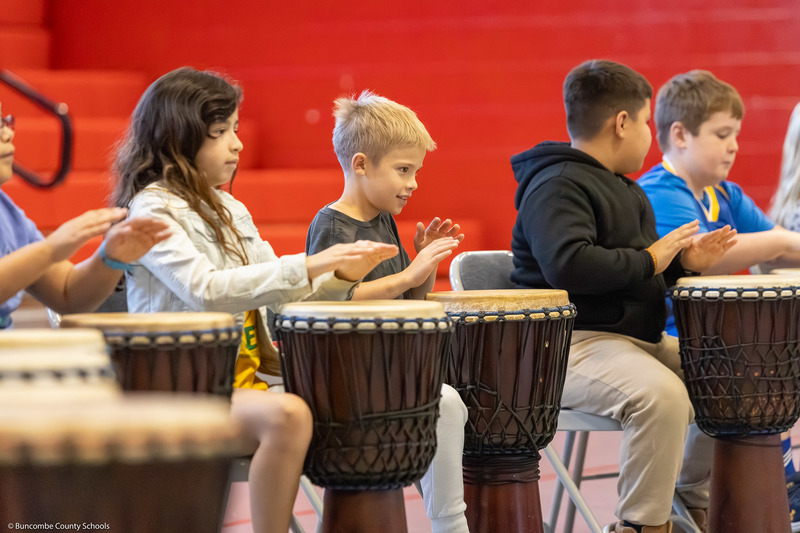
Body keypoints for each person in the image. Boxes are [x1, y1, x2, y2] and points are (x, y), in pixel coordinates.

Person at [111, 68, 398, 533]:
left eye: (237, 130)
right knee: (286, 416)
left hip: (242, 380)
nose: (237, 145)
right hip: (179, 386)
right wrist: (310, 264)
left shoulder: (231, 208)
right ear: (176, 139)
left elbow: (280, 302)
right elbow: (205, 290)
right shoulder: (154, 208)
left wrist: (341, 276)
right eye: (219, 133)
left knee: (357, 399)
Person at [509, 59, 736, 533]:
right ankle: (643, 525)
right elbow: (569, 264)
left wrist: (681, 265)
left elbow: (633, 271)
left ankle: (687, 498)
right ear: (622, 122)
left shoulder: (625, 190)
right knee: (663, 396)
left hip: (630, 340)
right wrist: (653, 261)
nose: (649, 134)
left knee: (732, 372)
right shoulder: (555, 184)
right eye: (648, 121)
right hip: (567, 347)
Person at [306, 90, 469, 533]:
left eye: (415, 171)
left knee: (454, 403)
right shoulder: (332, 225)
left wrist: (421, 271)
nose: (413, 182)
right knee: (448, 404)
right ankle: (451, 525)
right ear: (360, 165)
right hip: (348, 372)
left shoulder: (385, 221)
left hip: (389, 364)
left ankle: (450, 522)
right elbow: (331, 303)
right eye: (402, 170)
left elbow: (408, 310)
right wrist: (406, 273)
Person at [638, 70, 800, 337]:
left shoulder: (725, 193)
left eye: (735, 135)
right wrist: (779, 242)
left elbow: (781, 245)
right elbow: (703, 259)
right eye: (723, 135)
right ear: (680, 136)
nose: (734, 146)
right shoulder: (661, 191)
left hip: (716, 335)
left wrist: (780, 242)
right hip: (671, 335)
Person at [0, 101, 170, 329]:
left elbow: (67, 294)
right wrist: (50, 250)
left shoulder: (7, 211)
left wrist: (110, 258)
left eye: (5, 121)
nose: (8, 133)